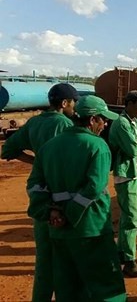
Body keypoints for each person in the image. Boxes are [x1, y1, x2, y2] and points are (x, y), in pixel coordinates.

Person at [26, 95, 126, 301]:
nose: (105, 124)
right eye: (103, 119)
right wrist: (70, 214)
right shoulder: (97, 146)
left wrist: (52, 212)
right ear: (91, 120)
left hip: (58, 232)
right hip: (92, 229)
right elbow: (94, 186)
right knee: (106, 284)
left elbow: (35, 185)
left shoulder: (49, 147)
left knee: (68, 285)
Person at [1, 83, 78, 301]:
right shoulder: (65, 123)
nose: (75, 107)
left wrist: (37, 162)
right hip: (61, 189)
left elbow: (8, 149)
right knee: (64, 257)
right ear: (64, 103)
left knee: (44, 258)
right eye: (73, 102)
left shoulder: (35, 122)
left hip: (39, 190)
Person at [108, 90, 137, 277]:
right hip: (126, 175)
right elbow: (131, 148)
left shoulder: (135, 123)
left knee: (135, 216)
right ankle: (128, 261)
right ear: (129, 103)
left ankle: (125, 253)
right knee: (131, 217)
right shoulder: (121, 124)